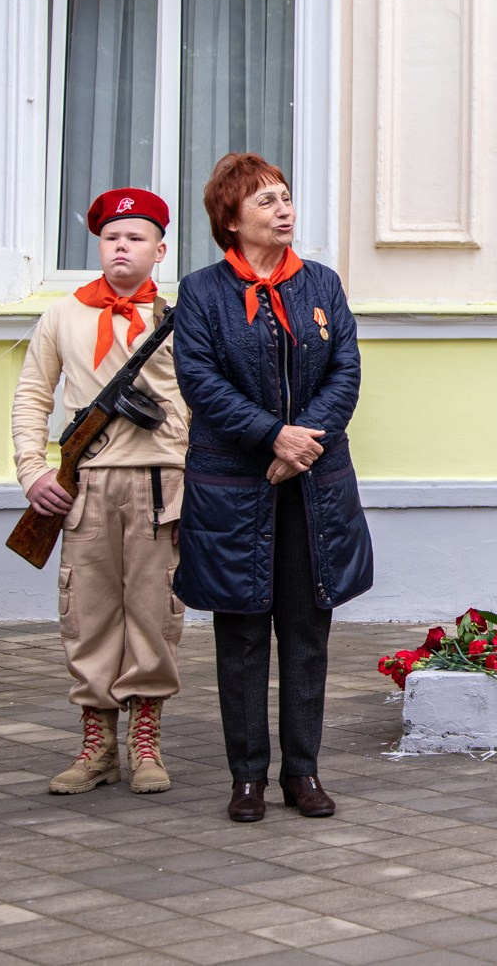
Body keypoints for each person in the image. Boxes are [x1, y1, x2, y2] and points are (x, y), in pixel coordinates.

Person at [171, 153, 371, 823]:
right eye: (265, 201)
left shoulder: (322, 284)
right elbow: (200, 381)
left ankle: (303, 772)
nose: (283, 209)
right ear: (231, 218)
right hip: (235, 487)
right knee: (244, 632)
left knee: (307, 630)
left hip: (312, 486)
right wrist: (271, 436)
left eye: (285, 197)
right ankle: (247, 776)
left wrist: (303, 439)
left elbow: (344, 367)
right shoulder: (201, 293)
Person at [12, 189, 187, 797]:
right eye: (112, 237)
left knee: (154, 611)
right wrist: (33, 471)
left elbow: (204, 401)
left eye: (136, 237)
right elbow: (33, 394)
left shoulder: (179, 318)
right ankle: (97, 744)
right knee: (86, 615)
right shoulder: (62, 314)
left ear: (159, 250)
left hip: (160, 486)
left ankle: (146, 741)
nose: (122, 246)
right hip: (83, 486)